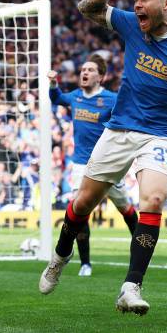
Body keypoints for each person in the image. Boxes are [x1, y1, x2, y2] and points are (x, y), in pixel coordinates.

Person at [39, 0, 167, 315]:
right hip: (119, 131)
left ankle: (131, 286)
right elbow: (86, 8)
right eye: (135, 0)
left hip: (161, 135)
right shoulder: (130, 24)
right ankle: (60, 255)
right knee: (83, 205)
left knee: (154, 201)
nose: (137, 5)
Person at [48, 53, 138, 277]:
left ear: (101, 77)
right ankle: (85, 263)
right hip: (81, 165)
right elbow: (57, 98)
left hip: (107, 165)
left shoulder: (111, 99)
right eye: (83, 70)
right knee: (80, 211)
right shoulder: (76, 97)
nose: (84, 73)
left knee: (125, 208)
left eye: (90, 70)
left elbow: (128, 116)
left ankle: (141, 252)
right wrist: (52, 83)